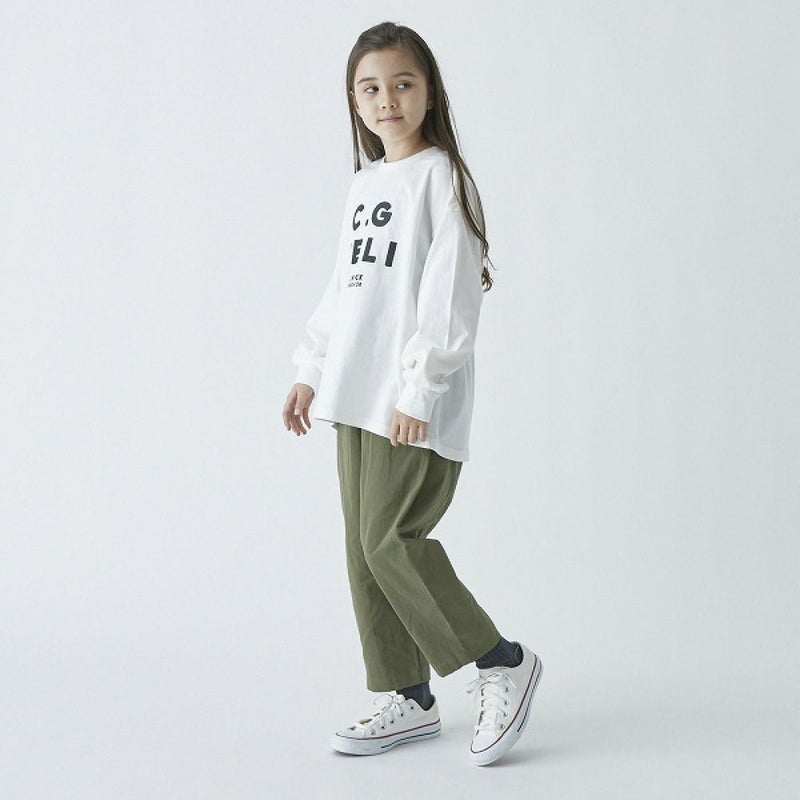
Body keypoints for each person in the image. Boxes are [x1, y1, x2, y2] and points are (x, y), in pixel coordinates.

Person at [282, 21, 542, 766]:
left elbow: (451, 298)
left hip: (407, 401)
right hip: (353, 393)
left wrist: (420, 389)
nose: (387, 100)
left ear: (430, 92)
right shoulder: (365, 185)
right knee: (362, 552)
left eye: (402, 84)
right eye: (370, 88)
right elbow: (345, 292)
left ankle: (502, 661)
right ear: (353, 100)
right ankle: (410, 697)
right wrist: (309, 368)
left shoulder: (442, 178)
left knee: (390, 540)